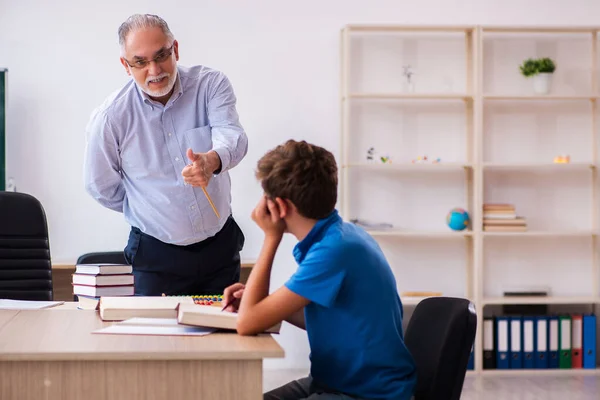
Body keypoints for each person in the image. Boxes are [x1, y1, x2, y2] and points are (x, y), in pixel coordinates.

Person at [223, 140, 416, 400]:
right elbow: (328, 318)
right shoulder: (340, 236)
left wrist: (271, 237)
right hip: (334, 382)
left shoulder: (333, 251)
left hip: (366, 394)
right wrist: (260, 305)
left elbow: (247, 323)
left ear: (280, 206)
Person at [84, 14, 248, 296]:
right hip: (155, 258)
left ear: (176, 49)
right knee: (156, 339)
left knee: (223, 338)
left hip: (220, 248)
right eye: (141, 62)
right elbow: (100, 185)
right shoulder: (111, 118)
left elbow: (233, 136)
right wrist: (148, 203)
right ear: (126, 65)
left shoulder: (210, 84)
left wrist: (212, 161)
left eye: (162, 56)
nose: (155, 69)